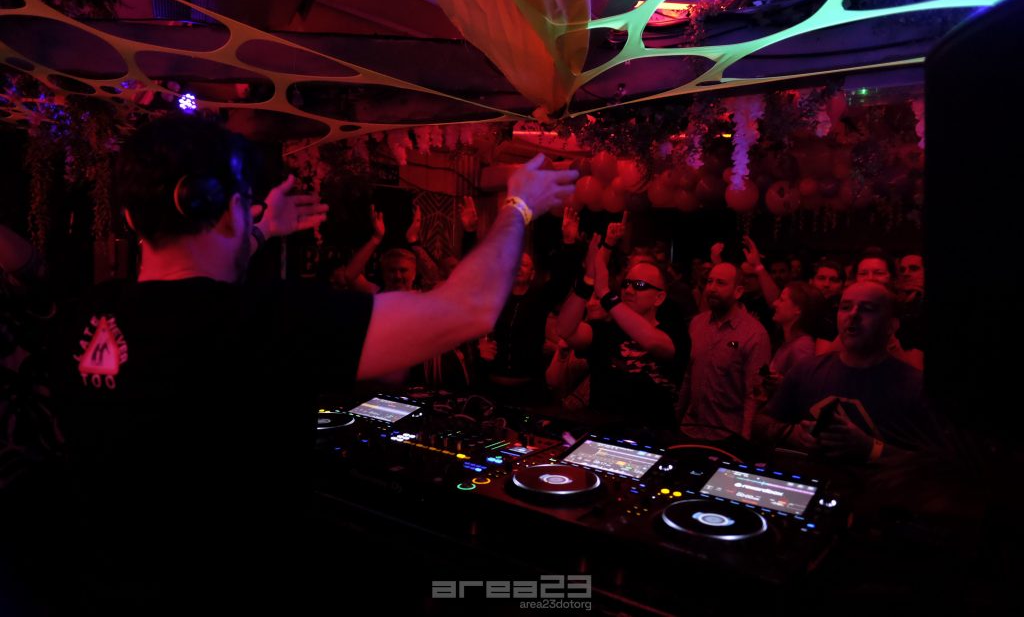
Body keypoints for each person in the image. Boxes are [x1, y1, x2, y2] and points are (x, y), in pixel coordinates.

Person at [44, 116, 577, 613]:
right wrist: (518, 207)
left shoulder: (82, 317)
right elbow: (468, 308)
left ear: (130, 216)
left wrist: (257, 231)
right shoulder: (269, 322)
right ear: (226, 209)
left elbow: (189, 300)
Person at [753, 281, 941, 463]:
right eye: (845, 307)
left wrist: (870, 449)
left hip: (877, 485)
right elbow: (760, 423)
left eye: (867, 309)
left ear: (891, 325)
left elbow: (938, 463)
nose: (853, 314)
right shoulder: (806, 371)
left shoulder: (914, 386)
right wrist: (792, 433)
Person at [556, 217, 687, 430]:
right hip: (602, 436)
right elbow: (565, 330)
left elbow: (653, 343)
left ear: (659, 298)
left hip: (652, 439)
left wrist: (606, 295)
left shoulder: (673, 330)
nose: (629, 290)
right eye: (626, 283)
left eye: (640, 285)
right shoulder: (607, 330)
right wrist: (587, 282)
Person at [679, 262, 771, 441]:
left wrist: (744, 440)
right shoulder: (697, 324)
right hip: (690, 428)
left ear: (738, 291)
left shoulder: (754, 334)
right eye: (710, 281)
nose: (712, 288)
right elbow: (687, 377)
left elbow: (753, 394)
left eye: (720, 283)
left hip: (727, 434)